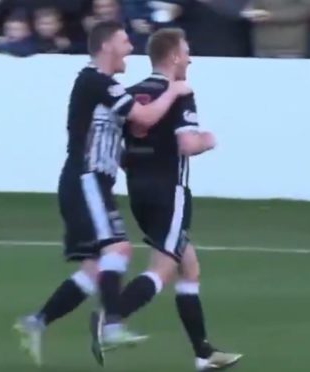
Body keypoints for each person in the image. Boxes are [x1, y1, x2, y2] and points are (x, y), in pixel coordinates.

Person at [14, 20, 192, 366]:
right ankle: (111, 326)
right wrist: (174, 89)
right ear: (108, 45)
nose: (130, 48)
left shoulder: (107, 87)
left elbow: (132, 130)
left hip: (93, 182)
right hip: (86, 179)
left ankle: (35, 323)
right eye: (125, 41)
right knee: (119, 249)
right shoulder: (94, 81)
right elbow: (145, 116)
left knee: (96, 269)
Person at [112, 28, 243, 371]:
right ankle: (111, 316)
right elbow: (187, 145)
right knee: (162, 269)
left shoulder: (131, 93)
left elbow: (119, 150)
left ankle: (203, 354)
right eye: (186, 52)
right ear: (172, 57)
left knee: (189, 266)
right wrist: (208, 139)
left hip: (138, 193)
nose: (190, 58)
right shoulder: (180, 93)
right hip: (170, 192)